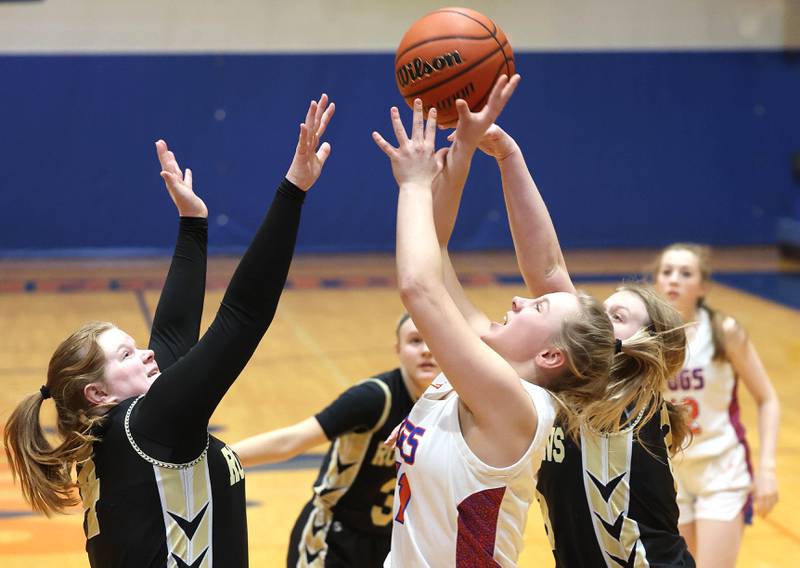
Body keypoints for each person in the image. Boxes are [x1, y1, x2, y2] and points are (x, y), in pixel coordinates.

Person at [3, 93, 335, 568]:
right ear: (97, 392)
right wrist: (294, 189)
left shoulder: (117, 433)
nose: (147, 354)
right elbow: (243, 314)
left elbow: (172, 338)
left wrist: (193, 223)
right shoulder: (148, 425)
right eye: (126, 355)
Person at [430, 95, 695, 565]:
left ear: (641, 348)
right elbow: (549, 274)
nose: (593, 316)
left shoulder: (630, 396)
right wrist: (509, 158)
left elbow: (549, 272)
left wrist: (510, 160)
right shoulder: (560, 385)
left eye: (615, 318)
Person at [373, 77, 620, 567]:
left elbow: (420, 289)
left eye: (538, 308)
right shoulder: (483, 370)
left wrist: (417, 185)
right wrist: (462, 151)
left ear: (550, 355)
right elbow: (436, 250)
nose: (518, 300)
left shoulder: (515, 403)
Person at [231, 314, 438, 568]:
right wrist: (218, 461)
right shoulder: (374, 398)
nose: (426, 350)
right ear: (398, 349)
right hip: (331, 538)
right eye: (415, 341)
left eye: (434, 340)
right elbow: (291, 440)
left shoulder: (452, 405)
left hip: (390, 542)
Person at [654, 243, 780, 567]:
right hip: (670, 470)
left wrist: (766, 470)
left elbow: (767, 399)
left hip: (720, 467)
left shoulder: (723, 332)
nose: (674, 280)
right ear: (655, 280)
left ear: (703, 286)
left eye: (685, 273)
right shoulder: (647, 338)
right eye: (667, 272)